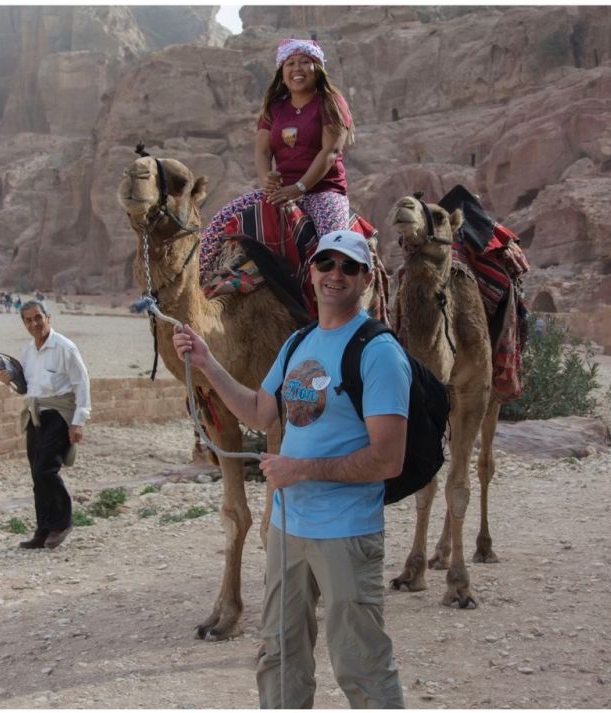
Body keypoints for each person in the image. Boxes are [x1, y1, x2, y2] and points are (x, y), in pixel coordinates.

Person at [172, 230, 410, 708]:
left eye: (348, 266)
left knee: (360, 664)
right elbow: (261, 411)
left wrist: (301, 469)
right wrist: (208, 362)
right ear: (312, 272)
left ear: (365, 277)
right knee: (279, 657)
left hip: (345, 531)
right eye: (326, 264)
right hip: (287, 529)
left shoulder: (378, 352)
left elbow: (388, 458)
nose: (335, 275)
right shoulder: (299, 342)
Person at [199, 37, 354, 282]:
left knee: (334, 247)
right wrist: (267, 182)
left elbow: (330, 152)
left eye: (305, 62)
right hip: (281, 192)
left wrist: (299, 188)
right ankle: (201, 287)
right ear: (282, 72)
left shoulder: (330, 102)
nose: (297, 69)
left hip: (323, 191)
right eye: (290, 63)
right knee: (220, 222)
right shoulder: (274, 108)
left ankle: (343, 312)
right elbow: (262, 152)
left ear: (318, 68)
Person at [0, 299, 91, 550]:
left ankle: (61, 523)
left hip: (58, 414)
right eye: (28, 320)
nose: (34, 323)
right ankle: (43, 530)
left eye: (38, 317)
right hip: (35, 415)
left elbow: (81, 383)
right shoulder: (28, 351)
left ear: (48, 317)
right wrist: (7, 379)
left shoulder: (65, 347)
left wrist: (78, 421)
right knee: (36, 474)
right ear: (24, 323)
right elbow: (26, 388)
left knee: (45, 470)